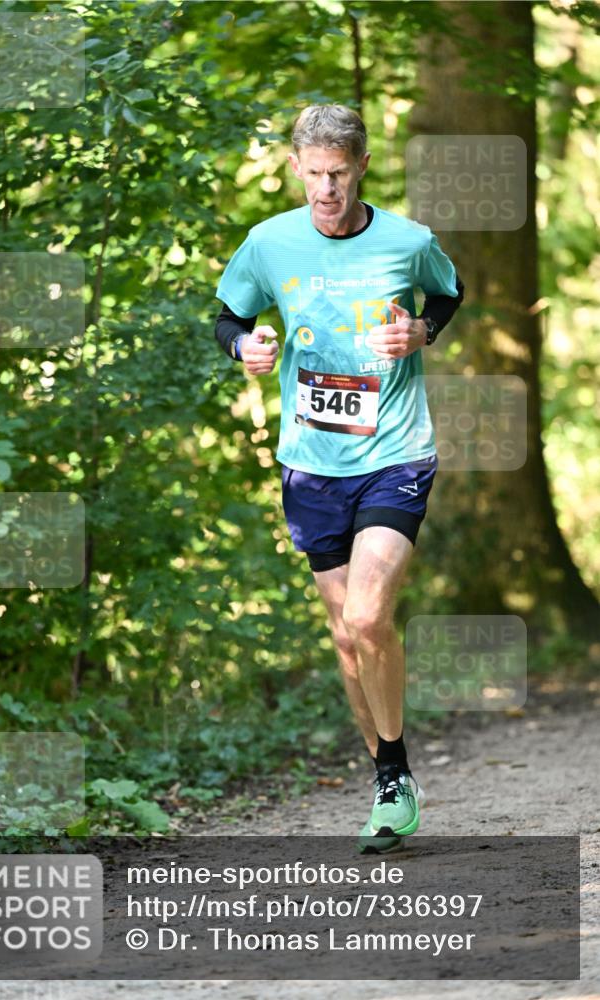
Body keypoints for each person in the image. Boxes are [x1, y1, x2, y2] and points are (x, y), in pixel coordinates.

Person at [214, 104, 464, 852]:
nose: (326, 188)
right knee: (345, 638)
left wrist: (424, 331)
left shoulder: (408, 241)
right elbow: (227, 317)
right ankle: (390, 780)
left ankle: (392, 777)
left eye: (339, 173)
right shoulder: (268, 243)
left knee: (365, 616)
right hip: (311, 466)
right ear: (296, 167)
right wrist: (244, 350)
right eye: (313, 173)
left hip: (395, 453)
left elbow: (447, 295)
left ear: (360, 168)